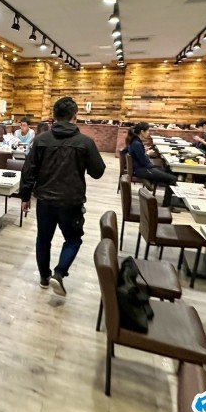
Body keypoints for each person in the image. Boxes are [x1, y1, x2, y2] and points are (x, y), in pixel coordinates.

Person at [21, 97, 106, 297]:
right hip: (71, 202)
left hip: (45, 201)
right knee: (73, 239)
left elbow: (28, 171)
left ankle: (44, 277)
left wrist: (25, 196)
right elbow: (98, 171)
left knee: (43, 239)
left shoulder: (40, 140)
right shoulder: (85, 142)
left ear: (54, 116)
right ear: (75, 116)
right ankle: (59, 273)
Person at [127, 122, 179, 209]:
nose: (148, 133)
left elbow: (142, 158)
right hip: (143, 170)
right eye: (147, 131)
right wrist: (147, 154)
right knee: (173, 179)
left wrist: (145, 153)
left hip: (145, 168)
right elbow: (143, 161)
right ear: (142, 131)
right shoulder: (136, 143)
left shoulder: (136, 142)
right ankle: (167, 205)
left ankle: (168, 198)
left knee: (169, 170)